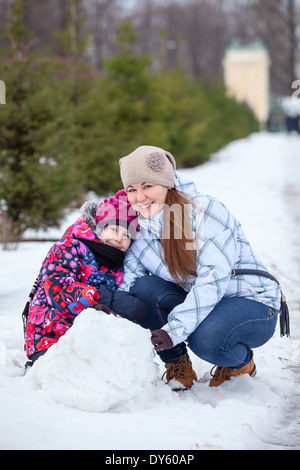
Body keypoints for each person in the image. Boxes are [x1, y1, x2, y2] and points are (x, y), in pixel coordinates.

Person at [118, 146, 281, 390]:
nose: (139, 197)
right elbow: (131, 282)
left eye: (148, 186)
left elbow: (212, 280)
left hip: (251, 300)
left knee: (206, 339)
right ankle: (177, 364)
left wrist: (174, 329)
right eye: (132, 189)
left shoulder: (205, 211)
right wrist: (113, 310)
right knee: (144, 288)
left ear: (167, 183)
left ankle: (241, 363)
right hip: (206, 300)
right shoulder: (138, 229)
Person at [24, 190, 147, 367]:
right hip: (50, 335)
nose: (119, 238)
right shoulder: (67, 247)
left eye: (126, 235)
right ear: (100, 226)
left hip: (89, 338)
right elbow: (59, 290)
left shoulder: (118, 261)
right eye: (114, 229)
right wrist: (108, 299)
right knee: (68, 372)